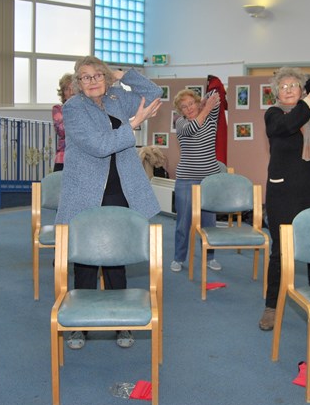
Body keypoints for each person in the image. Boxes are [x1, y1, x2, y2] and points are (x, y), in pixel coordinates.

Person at [55, 56, 162, 350]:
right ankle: (79, 325)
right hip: (86, 192)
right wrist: (135, 124)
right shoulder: (73, 108)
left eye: (97, 75)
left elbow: (154, 94)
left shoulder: (117, 97)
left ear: (106, 77)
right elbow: (99, 146)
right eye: (85, 77)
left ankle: (122, 324)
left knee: (118, 258)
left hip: (121, 189)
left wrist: (124, 74)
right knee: (86, 262)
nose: (92, 82)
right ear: (78, 83)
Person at [260, 67, 310, 331]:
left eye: (294, 85)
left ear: (302, 89)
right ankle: (271, 306)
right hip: (284, 193)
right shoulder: (274, 115)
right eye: (283, 86)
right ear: (275, 93)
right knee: (281, 251)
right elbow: (290, 125)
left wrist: (308, 85)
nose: (289, 89)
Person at [170, 88, 222, 273]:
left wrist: (210, 97)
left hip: (209, 180)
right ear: (180, 111)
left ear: (197, 102)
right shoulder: (181, 123)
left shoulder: (210, 117)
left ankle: (210, 257)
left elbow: (216, 98)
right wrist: (205, 107)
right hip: (186, 180)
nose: (189, 108)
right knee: (183, 222)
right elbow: (195, 127)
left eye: (191, 103)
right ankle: (178, 258)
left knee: (209, 223)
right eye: (184, 107)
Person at [52, 73, 75, 172]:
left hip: (82, 159)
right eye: (66, 89)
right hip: (63, 159)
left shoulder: (87, 109)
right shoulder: (57, 109)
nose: (71, 92)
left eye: (73, 88)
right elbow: (62, 130)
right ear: (63, 93)